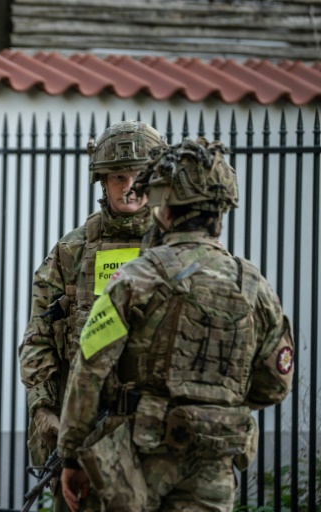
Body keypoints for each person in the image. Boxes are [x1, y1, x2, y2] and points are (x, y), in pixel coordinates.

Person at [58, 138, 294, 512]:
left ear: (164, 208)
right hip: (215, 461)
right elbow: (274, 386)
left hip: (138, 460)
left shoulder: (134, 279)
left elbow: (89, 371)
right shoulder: (253, 285)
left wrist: (72, 456)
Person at [18, 120, 165, 511]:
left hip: (157, 438)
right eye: (118, 175)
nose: (129, 185)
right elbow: (38, 338)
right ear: (102, 180)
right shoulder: (74, 251)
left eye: (139, 175)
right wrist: (44, 410)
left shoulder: (175, 249)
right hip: (82, 437)